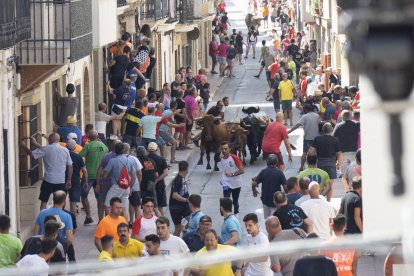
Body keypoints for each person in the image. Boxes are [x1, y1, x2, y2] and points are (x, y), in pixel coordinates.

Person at [20, 133, 73, 210]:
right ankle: (58, 219)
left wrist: (22, 145)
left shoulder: (45, 149)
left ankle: (42, 220)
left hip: (48, 180)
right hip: (61, 180)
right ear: (58, 140)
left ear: (49, 139)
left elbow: (32, 155)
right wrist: (69, 180)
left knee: (44, 201)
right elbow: (70, 166)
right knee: (60, 202)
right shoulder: (65, 150)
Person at [79, 131, 108, 224]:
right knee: (100, 197)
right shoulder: (103, 146)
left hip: (89, 175)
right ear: (97, 137)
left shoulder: (87, 146)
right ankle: (102, 219)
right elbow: (107, 154)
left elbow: (80, 156)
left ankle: (88, 216)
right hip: (101, 176)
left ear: (88, 137)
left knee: (84, 195)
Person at [308, 123, 342, 201]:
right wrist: (338, 164)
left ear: (323, 130)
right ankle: (328, 201)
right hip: (331, 164)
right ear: (331, 130)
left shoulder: (317, 139)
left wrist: (312, 161)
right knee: (330, 185)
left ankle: (320, 199)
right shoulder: (335, 140)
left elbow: (310, 151)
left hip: (320, 163)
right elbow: (339, 153)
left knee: (321, 184)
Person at [103, 143, 137, 217]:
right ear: (123, 150)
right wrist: (130, 187)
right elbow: (134, 176)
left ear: (115, 150)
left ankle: (110, 223)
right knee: (125, 208)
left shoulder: (112, 161)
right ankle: (125, 225)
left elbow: (105, 175)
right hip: (126, 187)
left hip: (116, 186)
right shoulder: (129, 160)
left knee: (107, 205)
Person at [252, 154, 286, 218]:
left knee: (267, 219)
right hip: (277, 201)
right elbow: (285, 187)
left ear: (267, 162)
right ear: (276, 162)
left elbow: (254, 184)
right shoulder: (279, 172)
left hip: (265, 200)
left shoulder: (263, 172)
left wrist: (254, 190)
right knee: (276, 219)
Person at [288, 103, 321, 171]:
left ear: (305, 109)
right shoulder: (317, 115)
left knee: (305, 153)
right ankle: (316, 167)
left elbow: (297, 125)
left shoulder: (304, 117)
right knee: (316, 153)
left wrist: (289, 131)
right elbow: (320, 123)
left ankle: (301, 167)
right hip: (316, 138)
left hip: (307, 138)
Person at [96, 140, 122, 221]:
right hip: (118, 184)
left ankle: (101, 221)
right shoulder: (124, 157)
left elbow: (99, 170)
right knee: (116, 203)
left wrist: (97, 183)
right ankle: (114, 220)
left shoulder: (106, 156)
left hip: (105, 183)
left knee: (102, 202)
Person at [218, 142, 245, 214]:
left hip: (236, 183)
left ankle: (236, 214)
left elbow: (242, 171)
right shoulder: (221, 157)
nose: (224, 151)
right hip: (226, 183)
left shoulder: (234, 158)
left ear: (229, 149)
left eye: (225, 149)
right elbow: (224, 169)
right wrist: (222, 179)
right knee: (226, 200)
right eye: (222, 149)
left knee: (235, 202)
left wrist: (232, 174)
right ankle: (227, 216)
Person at [333, 110, 360, 174]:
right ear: (350, 117)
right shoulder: (356, 125)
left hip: (343, 152)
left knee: (344, 173)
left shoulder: (338, 126)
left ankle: (345, 183)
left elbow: (334, 138)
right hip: (354, 151)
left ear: (342, 117)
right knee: (354, 172)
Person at [169, 161, 191, 236]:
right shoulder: (178, 180)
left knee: (191, 220)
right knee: (177, 229)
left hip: (184, 205)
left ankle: (184, 227)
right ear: (186, 169)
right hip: (175, 207)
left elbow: (185, 191)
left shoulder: (184, 178)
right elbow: (175, 195)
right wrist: (186, 200)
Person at [66, 140, 88, 216]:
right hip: (75, 181)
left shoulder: (63, 155)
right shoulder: (78, 156)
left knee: (61, 200)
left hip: (63, 180)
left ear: (66, 146)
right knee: (73, 202)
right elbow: (84, 170)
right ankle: (73, 221)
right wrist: (85, 181)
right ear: (75, 147)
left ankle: (61, 221)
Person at [147, 142, 169, 216]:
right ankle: (162, 222)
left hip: (148, 185)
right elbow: (166, 173)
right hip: (160, 185)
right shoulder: (161, 159)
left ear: (148, 150)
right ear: (157, 149)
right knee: (160, 207)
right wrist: (157, 180)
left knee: (148, 207)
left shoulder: (146, 160)